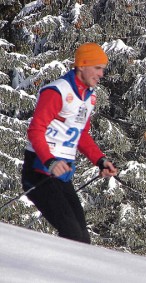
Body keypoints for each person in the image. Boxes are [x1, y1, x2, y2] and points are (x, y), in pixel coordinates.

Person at [21, 42, 118, 244]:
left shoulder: (89, 98)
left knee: (82, 238)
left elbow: (81, 134)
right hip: (39, 171)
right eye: (97, 68)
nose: (101, 74)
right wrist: (50, 162)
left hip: (61, 174)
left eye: (103, 69)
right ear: (82, 65)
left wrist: (100, 161)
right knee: (73, 236)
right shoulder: (58, 91)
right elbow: (35, 130)